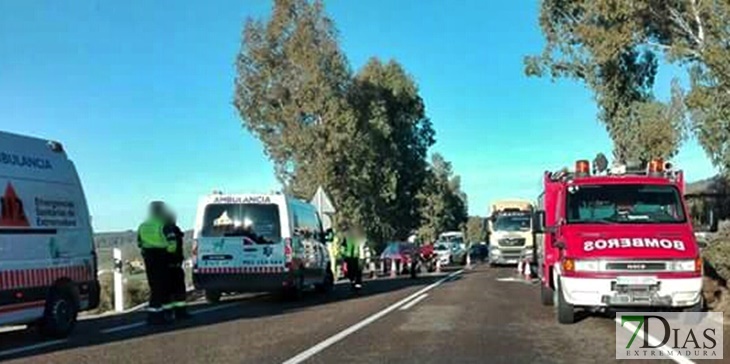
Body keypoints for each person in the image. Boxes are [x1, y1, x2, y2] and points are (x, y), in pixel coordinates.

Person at [137, 201, 179, 325]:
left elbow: (139, 243)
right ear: (161, 210)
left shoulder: (142, 226)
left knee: (155, 286)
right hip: (163, 257)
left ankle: (157, 314)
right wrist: (171, 253)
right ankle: (159, 315)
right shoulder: (164, 224)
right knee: (163, 287)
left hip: (149, 258)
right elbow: (172, 244)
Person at [165, 211, 192, 320]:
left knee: (169, 290)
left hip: (167, 265)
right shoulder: (172, 230)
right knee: (178, 289)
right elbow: (173, 248)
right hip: (174, 264)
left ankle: (170, 313)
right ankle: (180, 313)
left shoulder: (164, 229)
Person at [341, 226, 365, 290]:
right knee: (352, 271)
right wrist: (344, 254)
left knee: (357, 270)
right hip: (350, 257)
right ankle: (354, 283)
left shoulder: (354, 238)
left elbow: (359, 246)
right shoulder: (346, 239)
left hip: (355, 257)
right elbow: (343, 248)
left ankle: (357, 284)